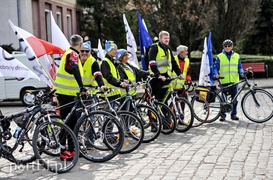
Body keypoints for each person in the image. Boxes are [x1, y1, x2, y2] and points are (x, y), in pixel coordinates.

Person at [53, 34, 86, 160]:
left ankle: (72, 149)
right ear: (80, 44)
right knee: (66, 123)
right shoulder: (72, 54)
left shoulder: (69, 53)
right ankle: (63, 151)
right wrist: (81, 86)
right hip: (65, 94)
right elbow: (74, 68)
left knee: (73, 123)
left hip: (69, 94)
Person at [148, 30, 184, 102]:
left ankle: (165, 113)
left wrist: (179, 73)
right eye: (165, 38)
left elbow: (173, 62)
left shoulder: (168, 48)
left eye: (168, 38)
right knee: (156, 100)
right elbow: (152, 62)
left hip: (166, 77)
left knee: (165, 99)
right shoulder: (154, 47)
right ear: (160, 38)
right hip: (156, 77)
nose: (167, 40)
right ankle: (152, 113)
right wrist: (158, 75)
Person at [213, 39, 244, 121]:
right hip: (224, 81)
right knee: (223, 100)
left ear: (232, 47)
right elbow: (215, 67)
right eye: (225, 46)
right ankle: (222, 115)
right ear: (223, 47)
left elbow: (239, 66)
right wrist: (216, 74)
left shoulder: (237, 56)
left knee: (234, 100)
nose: (227, 47)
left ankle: (233, 115)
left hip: (234, 81)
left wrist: (241, 72)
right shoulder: (220, 56)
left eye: (229, 46)